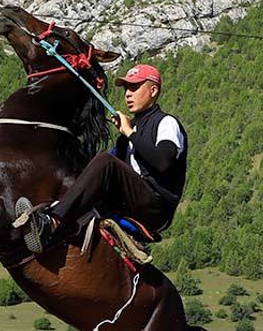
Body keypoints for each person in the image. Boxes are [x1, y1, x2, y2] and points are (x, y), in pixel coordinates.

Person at [17, 63, 188, 253]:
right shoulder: (133, 128)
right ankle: (52, 218)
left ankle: (53, 222)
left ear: (153, 90)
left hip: (156, 207)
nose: (127, 94)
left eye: (134, 87)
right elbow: (111, 168)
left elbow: (164, 162)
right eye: (126, 89)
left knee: (105, 162)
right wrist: (125, 136)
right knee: (89, 169)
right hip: (134, 199)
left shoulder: (166, 122)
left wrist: (129, 133)